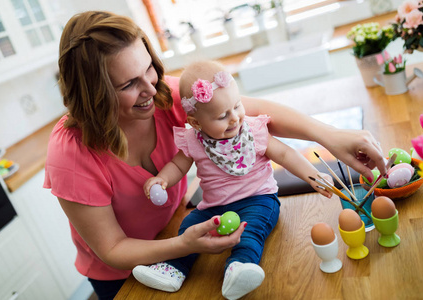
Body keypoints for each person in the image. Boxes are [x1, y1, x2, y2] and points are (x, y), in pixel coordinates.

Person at [43, 10, 386, 300]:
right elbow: (113, 249)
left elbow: (254, 116)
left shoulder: (162, 94)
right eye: (128, 84)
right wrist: (183, 245)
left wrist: (330, 136)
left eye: (149, 67)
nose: (151, 88)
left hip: (178, 232)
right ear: (95, 94)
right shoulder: (70, 153)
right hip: (120, 273)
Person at [132, 60, 333, 299]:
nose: (235, 118)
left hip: (258, 200)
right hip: (213, 208)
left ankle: (239, 268)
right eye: (222, 116)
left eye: (237, 106)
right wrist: (162, 179)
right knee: (188, 227)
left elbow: (285, 154)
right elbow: (178, 165)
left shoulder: (254, 131)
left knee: (249, 232)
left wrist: (313, 176)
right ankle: (172, 269)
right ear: (196, 123)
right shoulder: (194, 140)